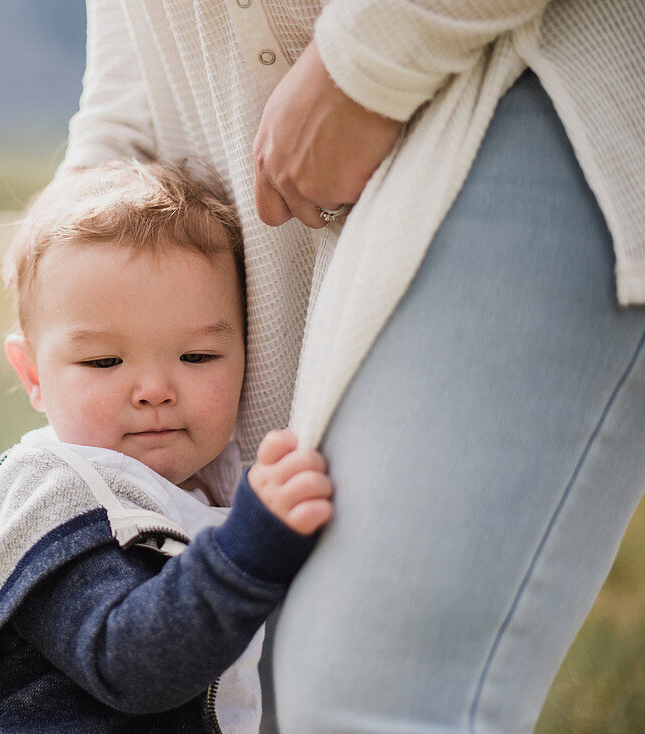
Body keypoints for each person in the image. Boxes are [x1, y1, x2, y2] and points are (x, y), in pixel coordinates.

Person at [63, 1, 645, 732]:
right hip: (272, 253)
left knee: (368, 702)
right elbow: (127, 68)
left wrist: (363, 63)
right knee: (271, 701)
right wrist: (63, 290)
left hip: (525, 84)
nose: (149, 390)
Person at [0, 159, 334, 732]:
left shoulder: (207, 480)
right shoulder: (57, 504)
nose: (155, 390)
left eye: (197, 357)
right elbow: (129, 665)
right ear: (32, 374)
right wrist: (246, 552)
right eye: (104, 361)